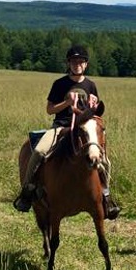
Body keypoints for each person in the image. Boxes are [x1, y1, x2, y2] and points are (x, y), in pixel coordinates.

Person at [13, 45, 119, 219]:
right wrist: (67, 103)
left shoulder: (90, 85)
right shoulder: (60, 84)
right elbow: (50, 109)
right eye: (74, 61)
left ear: (86, 64)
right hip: (60, 127)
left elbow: (95, 115)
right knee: (39, 151)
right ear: (68, 63)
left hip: (83, 130)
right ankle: (27, 191)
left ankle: (106, 196)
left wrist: (94, 106)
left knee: (105, 161)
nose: (77, 64)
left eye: (81, 61)